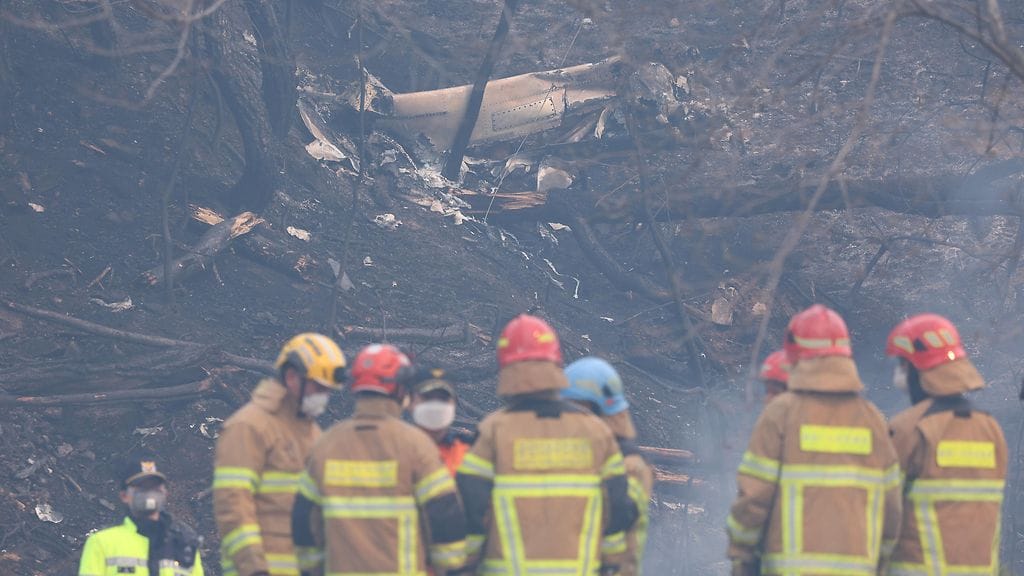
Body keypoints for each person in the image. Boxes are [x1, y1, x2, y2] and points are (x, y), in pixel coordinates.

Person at [725, 304, 902, 576]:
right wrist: (880, 564)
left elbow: (753, 499)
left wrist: (741, 557)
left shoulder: (781, 414)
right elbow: (891, 509)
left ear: (795, 357)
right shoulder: (872, 420)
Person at [456, 314, 638, 574]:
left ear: (506, 368)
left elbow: (471, 508)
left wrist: (466, 563)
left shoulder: (493, 431)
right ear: (556, 363)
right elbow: (618, 508)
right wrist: (610, 562)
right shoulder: (596, 432)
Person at [291, 344, 468, 575]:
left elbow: (304, 522)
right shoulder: (417, 446)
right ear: (400, 389)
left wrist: (314, 567)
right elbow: (445, 517)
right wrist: (450, 565)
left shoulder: (325, 445)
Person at [213, 333, 347, 576]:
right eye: (319, 387)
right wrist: (254, 568)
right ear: (292, 377)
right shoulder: (249, 426)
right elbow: (233, 503)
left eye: (328, 390)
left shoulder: (311, 434)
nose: (324, 396)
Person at [886, 313, 1007, 575]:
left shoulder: (907, 429)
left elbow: (881, 514)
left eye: (903, 364)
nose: (899, 371)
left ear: (916, 369)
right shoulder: (990, 429)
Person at [563, 356, 654, 576]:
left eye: (575, 408)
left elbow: (617, 526)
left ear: (598, 408)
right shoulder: (592, 452)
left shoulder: (629, 465)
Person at [79, 455, 204, 576]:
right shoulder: (102, 543)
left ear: (165, 494)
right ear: (124, 496)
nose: (150, 493)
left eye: (155, 487)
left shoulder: (185, 543)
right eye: (142, 487)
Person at [408, 367, 476, 475]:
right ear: (410, 402)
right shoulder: (393, 448)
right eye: (427, 398)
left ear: (454, 404)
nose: (436, 406)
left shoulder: (471, 453)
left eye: (443, 399)